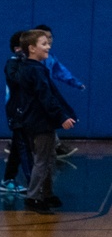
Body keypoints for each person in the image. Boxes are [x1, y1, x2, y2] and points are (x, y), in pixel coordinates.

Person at [11, 29, 77, 214]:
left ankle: (46, 194)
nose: (48, 46)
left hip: (32, 121)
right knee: (42, 160)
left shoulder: (28, 68)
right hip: (40, 122)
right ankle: (33, 197)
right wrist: (62, 116)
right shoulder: (36, 71)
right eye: (44, 44)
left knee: (48, 158)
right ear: (32, 48)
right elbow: (46, 97)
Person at [34, 24, 86, 159]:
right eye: (44, 38)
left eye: (50, 37)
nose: (49, 40)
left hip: (45, 94)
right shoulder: (28, 59)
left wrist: (76, 83)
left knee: (48, 120)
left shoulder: (50, 59)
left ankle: (55, 146)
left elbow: (61, 72)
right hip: (32, 96)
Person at [1, 31, 31, 195]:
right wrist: (23, 60)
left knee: (19, 147)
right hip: (16, 111)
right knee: (23, 146)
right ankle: (33, 184)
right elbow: (16, 80)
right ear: (18, 48)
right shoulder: (13, 63)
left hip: (27, 111)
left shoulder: (33, 64)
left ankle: (7, 179)